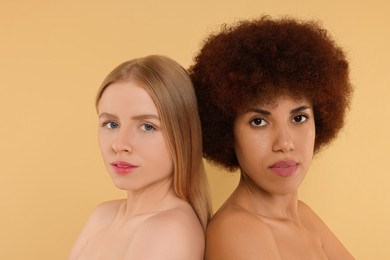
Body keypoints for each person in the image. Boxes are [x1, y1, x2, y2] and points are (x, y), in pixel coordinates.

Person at [189, 16, 354, 259]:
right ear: (226, 130)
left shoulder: (302, 215)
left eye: (298, 118)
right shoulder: (238, 231)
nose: (285, 143)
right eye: (259, 121)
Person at [69, 55, 212, 260]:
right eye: (111, 124)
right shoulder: (103, 216)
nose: (120, 144)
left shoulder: (170, 230)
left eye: (147, 126)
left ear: (184, 135)